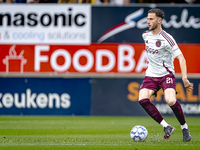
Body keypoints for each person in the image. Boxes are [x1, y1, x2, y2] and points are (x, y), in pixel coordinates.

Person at [138, 8, 193, 142]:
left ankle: (184, 128)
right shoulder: (145, 35)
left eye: (151, 19)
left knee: (171, 101)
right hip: (151, 75)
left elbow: (181, 58)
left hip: (165, 75)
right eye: (147, 19)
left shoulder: (167, 38)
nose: (148, 21)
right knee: (142, 99)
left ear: (159, 20)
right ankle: (166, 126)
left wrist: (184, 78)